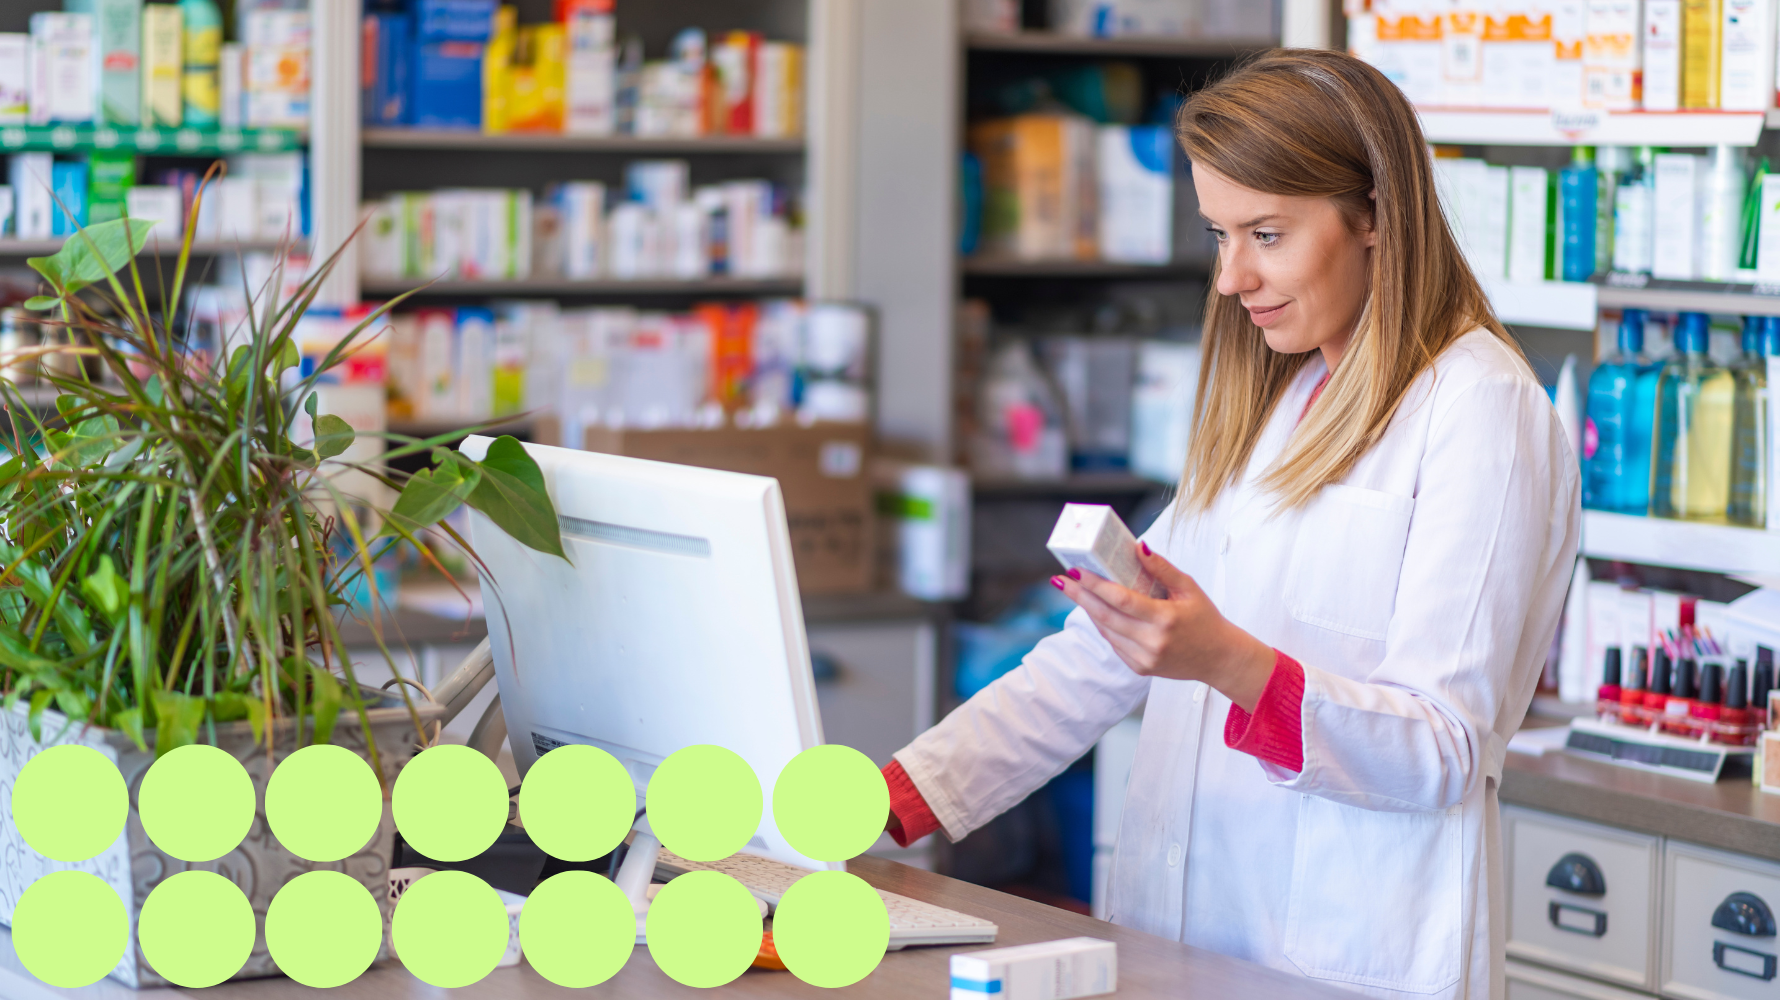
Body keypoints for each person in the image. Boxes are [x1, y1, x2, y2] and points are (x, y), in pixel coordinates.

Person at [883, 49, 1580, 1000]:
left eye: (1266, 234)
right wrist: (891, 802)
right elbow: (1096, 659)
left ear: (1374, 213)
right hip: (1182, 938)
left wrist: (1226, 662)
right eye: (1220, 235)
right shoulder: (1285, 398)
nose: (1230, 278)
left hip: (1343, 957)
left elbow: (1444, 747)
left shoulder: (1481, 409)